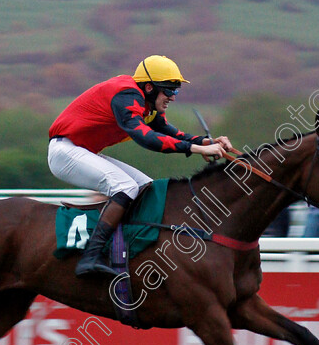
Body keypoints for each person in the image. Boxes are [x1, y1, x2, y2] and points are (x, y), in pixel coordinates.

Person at [48, 55, 231, 277]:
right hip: (64, 152)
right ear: (149, 87)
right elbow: (146, 137)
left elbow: (167, 130)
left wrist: (205, 141)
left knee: (146, 187)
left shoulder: (146, 102)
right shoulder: (126, 95)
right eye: (169, 90)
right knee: (126, 187)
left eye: (176, 90)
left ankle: (127, 249)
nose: (173, 97)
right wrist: (196, 150)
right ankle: (90, 257)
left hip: (81, 150)